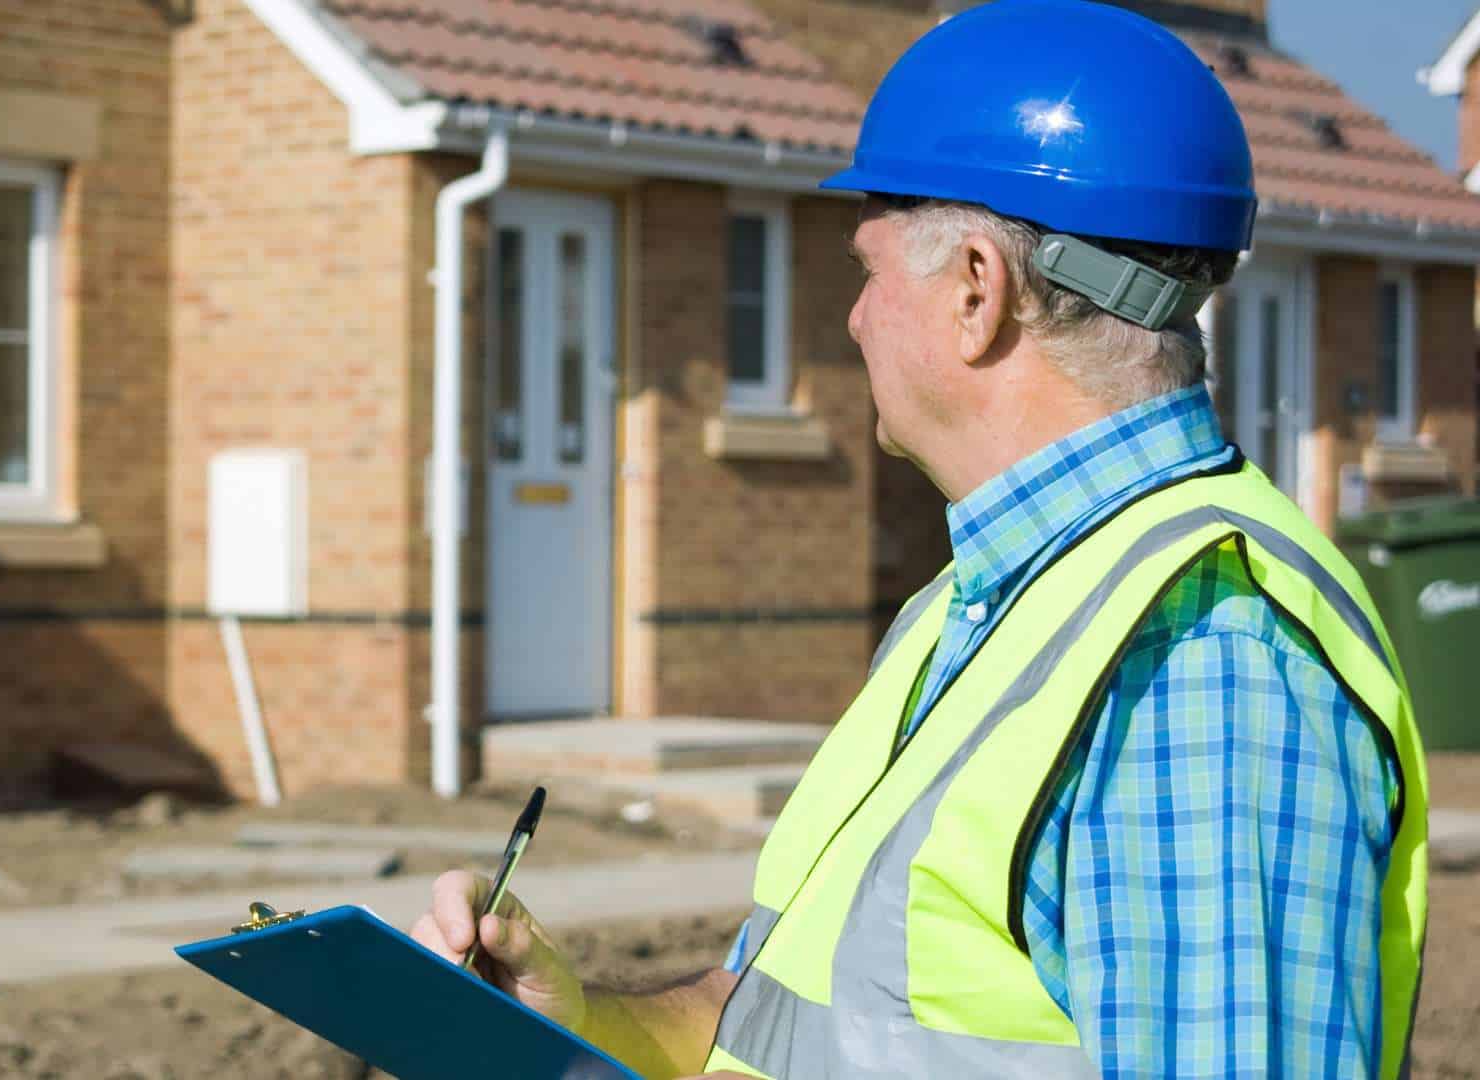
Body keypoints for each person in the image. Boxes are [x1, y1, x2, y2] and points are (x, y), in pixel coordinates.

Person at [412, 0, 1429, 1076]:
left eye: (869, 269)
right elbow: (783, 1017)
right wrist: (571, 1024)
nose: (853, 319)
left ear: (977, 292)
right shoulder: (976, 610)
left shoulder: (1198, 663)